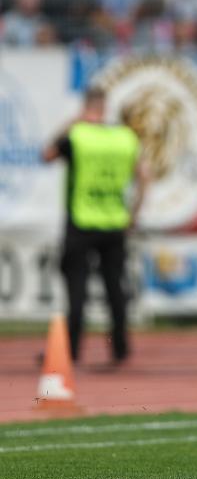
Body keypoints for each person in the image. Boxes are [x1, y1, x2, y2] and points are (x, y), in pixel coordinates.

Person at [43, 86, 148, 366]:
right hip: (115, 223)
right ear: (105, 107)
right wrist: (134, 214)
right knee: (115, 287)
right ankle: (120, 349)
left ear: (85, 106)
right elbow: (144, 176)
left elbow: (47, 154)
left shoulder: (78, 135)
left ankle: (72, 351)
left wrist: (71, 123)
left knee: (76, 288)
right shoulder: (124, 137)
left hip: (81, 221)